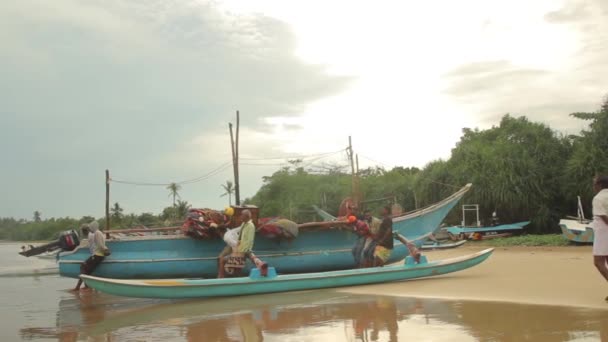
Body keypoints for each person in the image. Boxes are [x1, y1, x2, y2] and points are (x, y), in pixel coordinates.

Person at [218, 209, 255, 278]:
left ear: (220, 233)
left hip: (240, 248)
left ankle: (221, 277)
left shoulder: (226, 237)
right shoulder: (230, 231)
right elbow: (240, 228)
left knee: (223, 260)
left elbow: (236, 245)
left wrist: (236, 254)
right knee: (232, 263)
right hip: (240, 247)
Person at [73, 221, 108, 291]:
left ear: (84, 231)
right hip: (97, 255)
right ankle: (87, 286)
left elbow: (97, 245)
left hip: (97, 255)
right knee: (87, 270)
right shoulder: (93, 234)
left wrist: (104, 250)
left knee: (83, 266)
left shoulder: (91, 235)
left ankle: (80, 287)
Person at [591, 175, 608, 301]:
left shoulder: (598, 198)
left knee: (598, 262)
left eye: (594, 184)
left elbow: (604, 217)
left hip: (604, 232)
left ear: (600, 185)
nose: (593, 186)